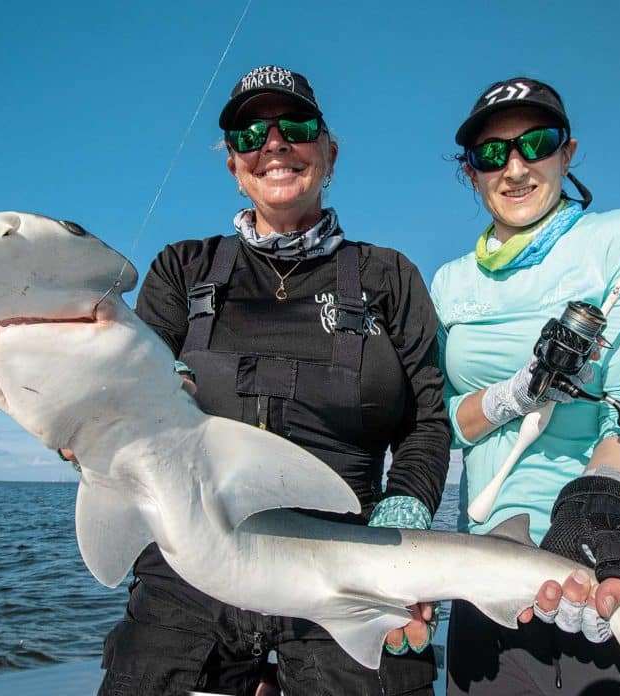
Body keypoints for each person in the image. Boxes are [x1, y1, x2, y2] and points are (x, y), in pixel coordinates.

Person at [96, 65, 451, 696]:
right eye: (250, 132)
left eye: (297, 126)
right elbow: (131, 401)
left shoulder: (389, 277)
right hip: (193, 558)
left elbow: (427, 418)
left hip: (349, 558)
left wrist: (405, 520)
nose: (275, 143)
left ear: (329, 152)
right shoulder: (182, 270)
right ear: (233, 163)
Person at [431, 77, 620, 695]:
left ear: (567, 153)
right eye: (491, 153)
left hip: (616, 561)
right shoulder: (448, 283)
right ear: (470, 172)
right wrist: (516, 394)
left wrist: (602, 502)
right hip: (496, 580)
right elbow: (441, 420)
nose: (514, 168)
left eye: (536, 143)